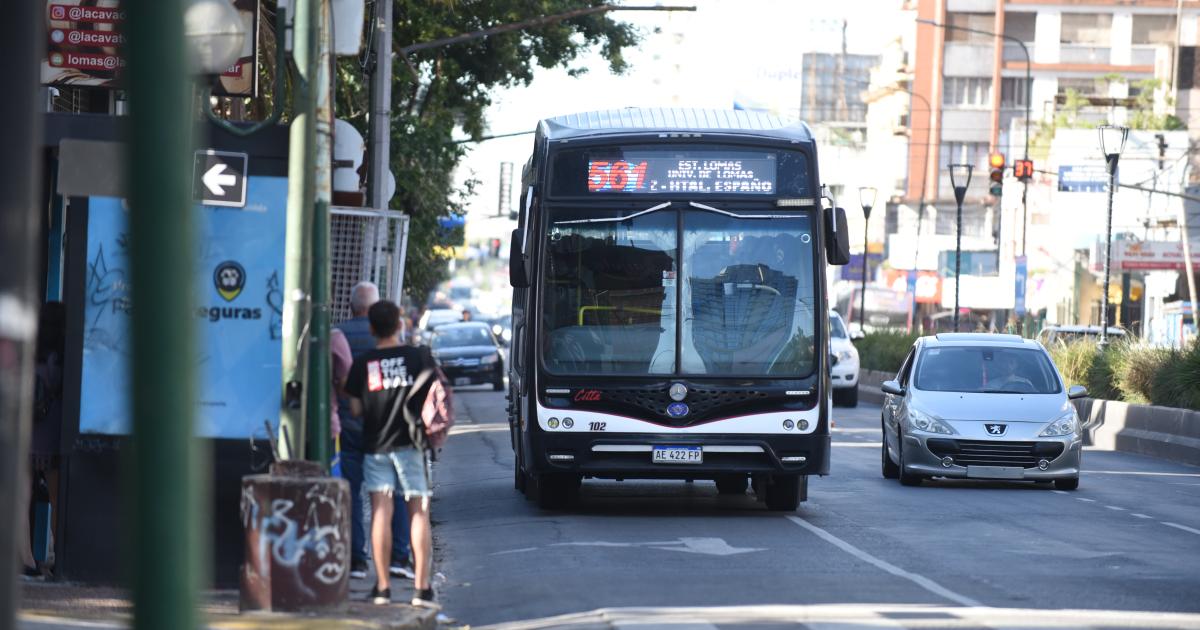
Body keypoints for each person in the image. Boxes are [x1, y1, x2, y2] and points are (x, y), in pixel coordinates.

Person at [345, 300, 439, 608]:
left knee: (381, 513)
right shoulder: (418, 358)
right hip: (412, 445)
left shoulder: (364, 364)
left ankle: (382, 587)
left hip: (376, 446)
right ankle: (422, 589)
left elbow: (356, 409)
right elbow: (434, 400)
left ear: (372, 329)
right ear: (400, 324)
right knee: (418, 512)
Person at [336, 282, 413, 581]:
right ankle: (398, 557)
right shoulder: (390, 341)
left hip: (349, 427)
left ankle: (357, 559)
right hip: (386, 428)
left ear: (353, 305)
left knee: (352, 494)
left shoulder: (338, 334)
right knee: (393, 493)